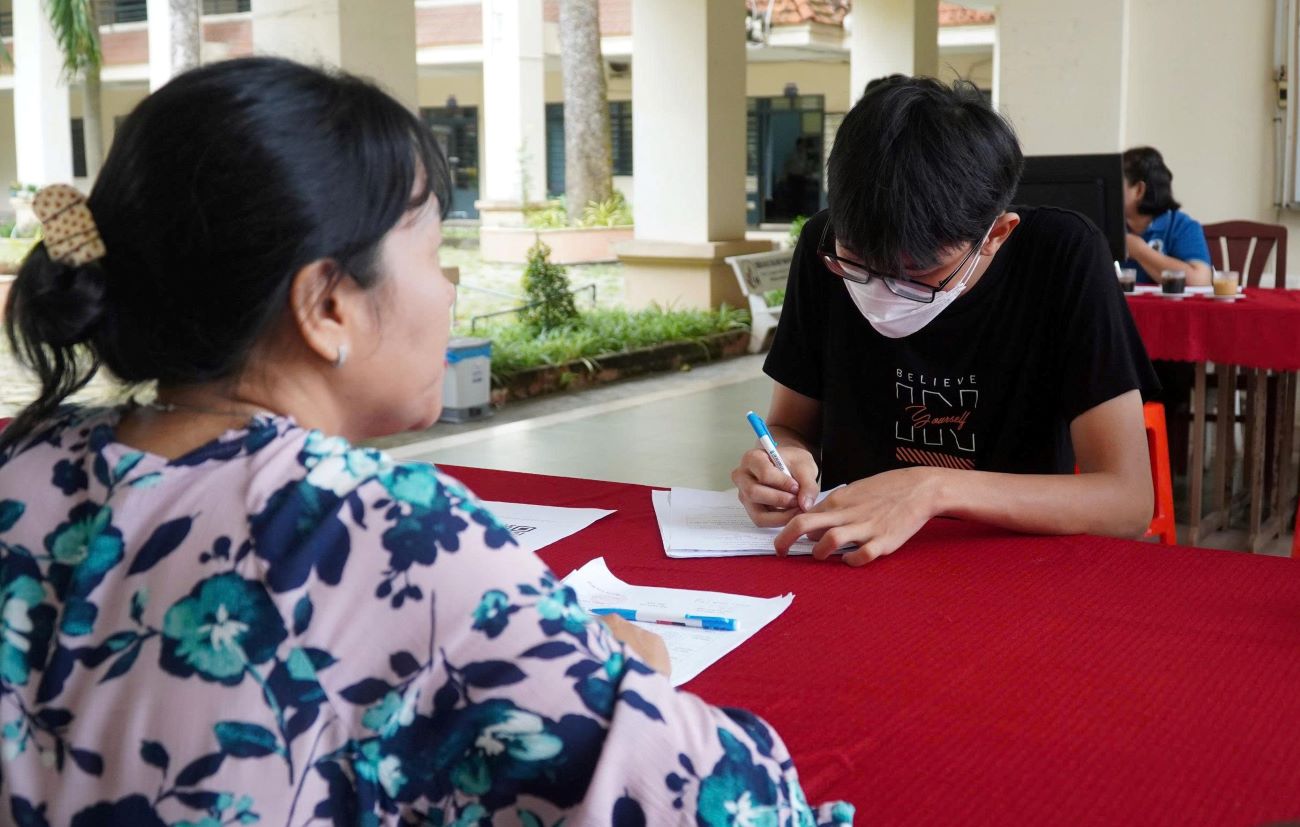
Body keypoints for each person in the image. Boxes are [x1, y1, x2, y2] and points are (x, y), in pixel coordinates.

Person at [0, 58, 851, 825]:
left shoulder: (25, 465)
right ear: (327, 305)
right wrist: (631, 677)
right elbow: (736, 802)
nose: (448, 291)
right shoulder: (375, 535)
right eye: (434, 248)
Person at [732, 75, 1159, 565]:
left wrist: (931, 489)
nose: (882, 293)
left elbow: (1127, 501)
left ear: (996, 234)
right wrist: (784, 462)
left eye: (919, 273)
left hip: (1005, 566)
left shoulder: (1062, 256)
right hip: (850, 560)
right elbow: (789, 426)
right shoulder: (822, 242)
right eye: (855, 264)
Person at [1122, 146, 1212, 286]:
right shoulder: (1103, 226)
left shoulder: (1181, 226)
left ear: (1139, 190)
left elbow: (1200, 280)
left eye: (1116, 184)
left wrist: (1139, 250)